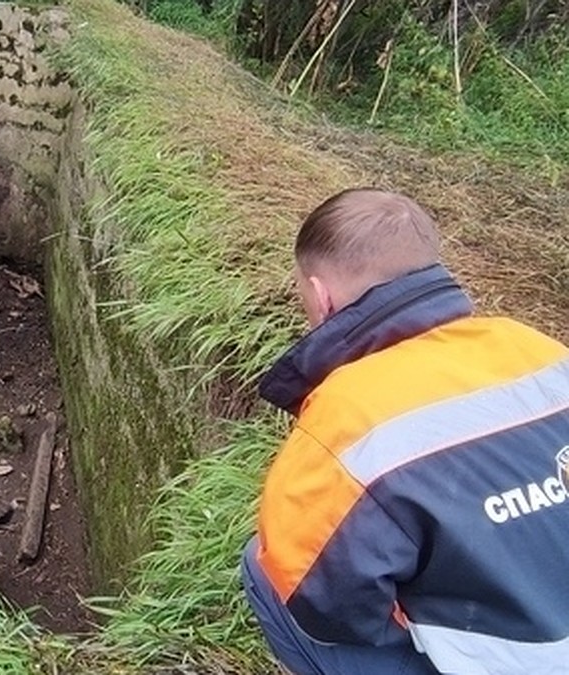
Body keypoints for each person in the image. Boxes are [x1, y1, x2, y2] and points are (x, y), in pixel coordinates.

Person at [241, 188, 569, 674]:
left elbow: (323, 597)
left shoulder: (346, 415)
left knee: (263, 568)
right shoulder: (536, 349)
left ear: (321, 296)